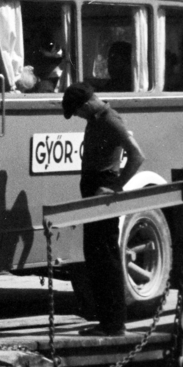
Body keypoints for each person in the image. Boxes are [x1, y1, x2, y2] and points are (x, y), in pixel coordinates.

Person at [62, 81, 146, 334]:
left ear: (86, 104)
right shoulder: (96, 119)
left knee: (105, 256)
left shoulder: (109, 119)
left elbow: (137, 155)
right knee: (96, 256)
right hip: (93, 186)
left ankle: (113, 324)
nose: (77, 116)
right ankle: (107, 322)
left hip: (103, 186)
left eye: (77, 111)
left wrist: (116, 186)